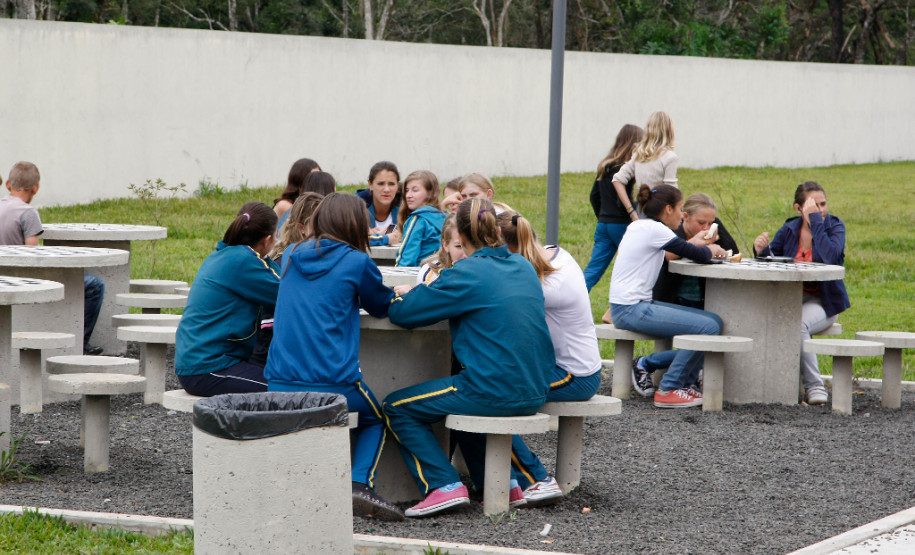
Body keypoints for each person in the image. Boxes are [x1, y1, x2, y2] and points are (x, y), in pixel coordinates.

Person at [383, 198, 554, 518]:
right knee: (462, 411)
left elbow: (404, 315)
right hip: (536, 388)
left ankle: (443, 485)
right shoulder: (521, 265)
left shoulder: (465, 272)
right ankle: (509, 483)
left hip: (492, 389)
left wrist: (402, 294)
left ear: (460, 234)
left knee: (397, 407)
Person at [264, 193, 403, 521]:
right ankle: (359, 485)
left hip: (278, 381)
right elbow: (381, 304)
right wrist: (398, 293)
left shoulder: (292, 255)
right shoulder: (357, 262)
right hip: (333, 383)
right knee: (376, 419)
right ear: (357, 225)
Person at [496, 209, 602, 505]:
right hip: (565, 366)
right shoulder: (556, 255)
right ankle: (499, 475)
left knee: (488, 397)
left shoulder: (542, 287)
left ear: (508, 249)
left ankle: (536, 478)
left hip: (574, 376)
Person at [609, 185, 726, 408]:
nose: (682, 217)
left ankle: (686, 383)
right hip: (632, 309)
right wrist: (711, 249)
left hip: (630, 306)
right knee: (708, 328)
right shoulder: (656, 229)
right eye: (681, 209)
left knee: (715, 322)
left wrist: (700, 243)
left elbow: (682, 249)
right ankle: (670, 388)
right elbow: (697, 254)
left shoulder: (640, 226)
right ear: (669, 209)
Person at [754, 181, 849, 405]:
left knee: (798, 324)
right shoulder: (789, 229)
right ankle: (768, 382)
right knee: (759, 315)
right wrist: (762, 251)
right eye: (813, 205)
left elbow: (830, 259)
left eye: (823, 204)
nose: (821, 209)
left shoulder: (835, 227)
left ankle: (815, 386)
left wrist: (815, 221)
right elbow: (773, 262)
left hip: (823, 302)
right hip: (791, 299)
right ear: (798, 209)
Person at [175, 202, 279, 396]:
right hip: (209, 369)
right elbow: (289, 296)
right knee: (288, 392)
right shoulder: (243, 262)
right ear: (267, 240)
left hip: (198, 364)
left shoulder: (227, 254)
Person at [1, 161, 105, 355]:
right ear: (36, 188)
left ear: (8, 184)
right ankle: (80, 343)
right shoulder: (27, 212)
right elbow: (34, 255)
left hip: (4, 277)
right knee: (94, 285)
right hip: (26, 279)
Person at [248, 192, 323, 367]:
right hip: (272, 359)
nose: (326, 231)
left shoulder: (291, 257)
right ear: (301, 227)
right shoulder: (287, 264)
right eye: (319, 225)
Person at [583, 124, 644, 291]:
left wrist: (603, 217)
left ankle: (569, 304)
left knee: (593, 270)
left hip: (603, 224)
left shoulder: (605, 165)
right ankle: (615, 310)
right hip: (622, 224)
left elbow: (593, 196)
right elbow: (624, 198)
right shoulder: (628, 168)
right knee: (636, 269)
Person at [652, 193, 740, 309]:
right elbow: (667, 255)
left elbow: (733, 252)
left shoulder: (711, 232)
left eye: (710, 223)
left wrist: (717, 226)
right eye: (701, 223)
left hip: (703, 300)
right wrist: (696, 243)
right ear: (686, 217)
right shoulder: (674, 232)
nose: (706, 228)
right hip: (672, 300)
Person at [611, 111, 679, 191]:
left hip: (642, 203)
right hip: (663, 203)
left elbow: (617, 179)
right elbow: (671, 191)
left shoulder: (639, 155)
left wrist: (628, 204)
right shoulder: (670, 157)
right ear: (670, 130)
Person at [395, 170, 446, 267]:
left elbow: (406, 258)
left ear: (430, 193)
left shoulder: (417, 219)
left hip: (419, 275)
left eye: (415, 190)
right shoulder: (446, 217)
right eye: (406, 190)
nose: (408, 195)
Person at [357, 161, 402, 247]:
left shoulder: (407, 205)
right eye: (381, 184)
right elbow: (351, 240)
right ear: (370, 185)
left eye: (391, 184)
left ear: (398, 185)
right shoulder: (355, 207)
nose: (386, 189)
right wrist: (383, 238)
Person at [416, 213, 465, 285]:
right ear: (445, 245)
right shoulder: (431, 273)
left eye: (473, 245)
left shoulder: (483, 268)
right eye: (459, 246)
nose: (466, 254)